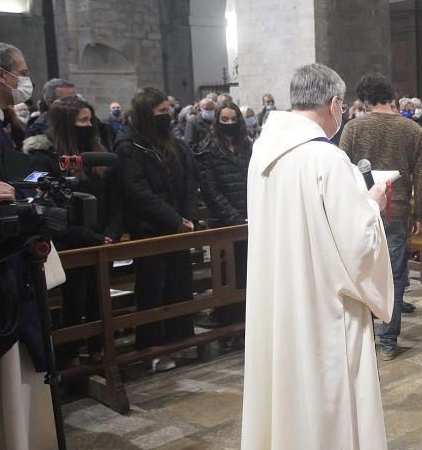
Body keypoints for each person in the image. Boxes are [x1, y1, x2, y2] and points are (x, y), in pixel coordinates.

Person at [239, 63, 393, 450]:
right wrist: (374, 203)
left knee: (285, 390)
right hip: (324, 302)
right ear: (332, 104)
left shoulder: (263, 151)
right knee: (325, 390)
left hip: (279, 296)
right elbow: (357, 243)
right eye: (341, 106)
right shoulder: (325, 158)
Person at [0, 41, 56, 450]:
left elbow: (15, 175)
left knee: (20, 364)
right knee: (1, 367)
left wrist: (35, 185)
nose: (25, 80)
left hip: (11, 257)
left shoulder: (1, 124)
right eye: (21, 71)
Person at [23, 97, 124, 367]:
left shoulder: (97, 153)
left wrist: (111, 232)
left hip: (103, 238)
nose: (89, 126)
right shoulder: (44, 158)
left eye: (90, 119)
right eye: (82, 120)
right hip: (71, 242)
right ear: (66, 124)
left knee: (99, 299)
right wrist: (90, 236)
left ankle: (99, 352)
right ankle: (68, 357)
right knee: (75, 299)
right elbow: (48, 208)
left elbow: (115, 199)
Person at [340, 73, 422, 360]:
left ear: (365, 100)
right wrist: (419, 213)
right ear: (390, 97)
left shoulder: (352, 128)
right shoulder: (411, 129)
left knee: (360, 269)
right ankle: (389, 340)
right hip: (397, 210)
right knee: (395, 272)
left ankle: (362, 335)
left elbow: (341, 172)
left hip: (360, 210)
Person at [114, 87, 199, 371]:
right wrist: (174, 220)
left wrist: (187, 217)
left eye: (169, 110)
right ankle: (152, 348)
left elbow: (189, 181)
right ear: (146, 114)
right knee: (152, 289)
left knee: (180, 284)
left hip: (178, 228)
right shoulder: (128, 145)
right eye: (161, 112)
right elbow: (138, 192)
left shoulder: (173, 142)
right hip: (150, 229)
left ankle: (182, 341)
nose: (168, 116)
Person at [197, 101, 251, 331]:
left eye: (233, 119)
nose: (230, 124)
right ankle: (229, 324)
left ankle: (248, 322)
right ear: (217, 122)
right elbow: (211, 192)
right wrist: (236, 219)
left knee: (248, 274)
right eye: (224, 120)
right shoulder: (208, 149)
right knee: (228, 276)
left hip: (251, 219)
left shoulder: (247, 146)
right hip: (225, 223)